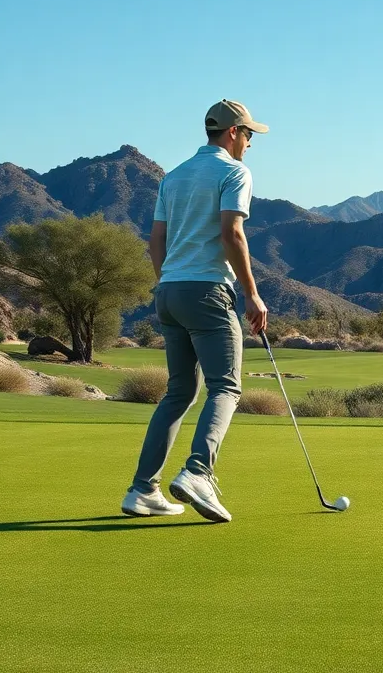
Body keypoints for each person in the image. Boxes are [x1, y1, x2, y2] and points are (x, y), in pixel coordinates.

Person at [121, 99, 270, 523]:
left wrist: (167, 278)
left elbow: (156, 241)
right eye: (249, 135)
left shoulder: (174, 176)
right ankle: (198, 472)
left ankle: (142, 490)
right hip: (207, 291)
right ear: (233, 133)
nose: (251, 144)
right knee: (226, 387)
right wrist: (253, 295)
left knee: (180, 392)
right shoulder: (234, 171)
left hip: (169, 290)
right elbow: (231, 232)